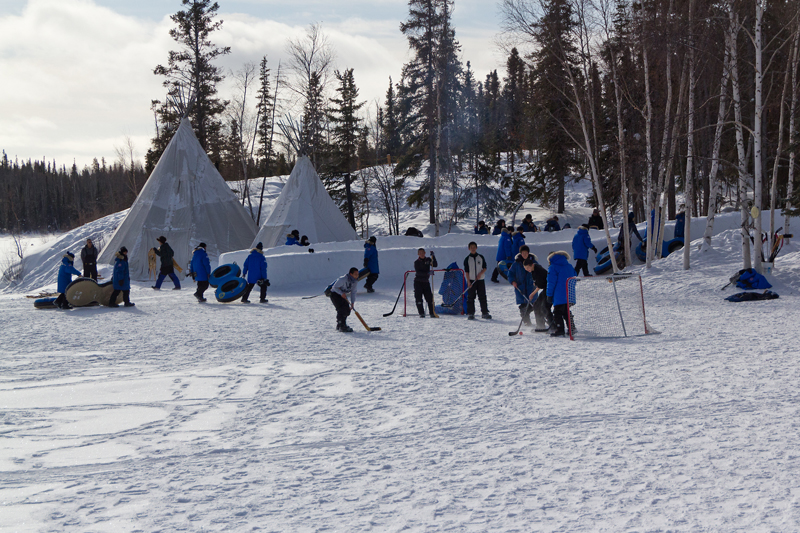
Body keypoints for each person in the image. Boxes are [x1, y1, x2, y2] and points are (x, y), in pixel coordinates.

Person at [546, 251, 577, 337]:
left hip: (559, 295)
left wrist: (549, 295)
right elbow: (575, 277)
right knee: (566, 312)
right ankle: (572, 328)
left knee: (557, 313)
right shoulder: (569, 266)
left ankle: (560, 330)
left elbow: (551, 283)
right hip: (569, 294)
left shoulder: (553, 267)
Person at [507, 245, 535, 326]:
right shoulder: (516, 263)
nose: (525, 255)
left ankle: (541, 321)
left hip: (531, 288)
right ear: (520, 253)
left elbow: (537, 271)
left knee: (534, 305)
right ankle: (526, 321)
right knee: (523, 306)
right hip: (520, 287)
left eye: (526, 253)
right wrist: (513, 281)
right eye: (523, 253)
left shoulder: (533, 262)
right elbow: (510, 274)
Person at [463, 241, 491, 320]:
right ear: (469, 249)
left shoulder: (480, 257)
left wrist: (480, 274)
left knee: (482, 297)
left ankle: (485, 312)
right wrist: (468, 281)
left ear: (476, 248)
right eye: (471, 247)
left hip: (480, 280)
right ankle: (471, 313)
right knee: (471, 297)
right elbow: (467, 272)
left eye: (474, 247)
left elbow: (485, 267)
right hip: (472, 280)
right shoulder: (467, 259)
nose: (473, 249)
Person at [527, 255, 552, 332]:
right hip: (546, 289)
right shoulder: (534, 270)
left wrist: (533, 293)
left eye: (527, 268)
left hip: (549, 289)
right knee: (536, 305)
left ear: (532, 265)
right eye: (525, 269)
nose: (527, 270)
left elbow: (540, 284)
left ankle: (553, 325)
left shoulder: (538, 270)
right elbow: (539, 284)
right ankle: (540, 325)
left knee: (544, 307)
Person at [330, 267, 359, 332]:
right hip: (335, 294)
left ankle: (340, 324)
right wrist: (341, 293)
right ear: (351, 274)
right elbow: (334, 287)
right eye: (355, 274)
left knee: (347, 310)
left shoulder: (355, 281)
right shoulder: (343, 279)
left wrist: (352, 302)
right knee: (341, 309)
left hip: (342, 295)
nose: (357, 276)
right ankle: (341, 325)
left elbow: (353, 292)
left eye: (358, 274)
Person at [413, 248, 438, 317]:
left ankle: (432, 313)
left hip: (426, 282)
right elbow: (419, 272)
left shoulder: (428, 260)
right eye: (420, 253)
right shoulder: (416, 262)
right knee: (418, 298)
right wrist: (428, 273)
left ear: (425, 253)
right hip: (418, 282)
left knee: (429, 298)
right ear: (418, 254)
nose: (422, 254)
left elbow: (435, 264)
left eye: (423, 253)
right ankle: (421, 313)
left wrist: (433, 256)